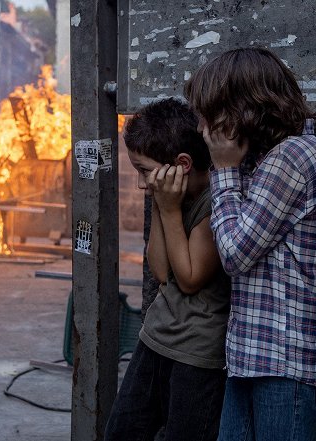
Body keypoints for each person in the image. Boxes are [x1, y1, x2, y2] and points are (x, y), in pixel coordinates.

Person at [184, 47, 316, 440]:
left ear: (242, 110)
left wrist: (223, 170)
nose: (203, 126)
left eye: (210, 113)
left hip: (283, 361)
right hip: (257, 356)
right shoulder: (269, 158)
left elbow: (235, 253)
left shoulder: (292, 156)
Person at [104, 98, 230, 441]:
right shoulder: (168, 199)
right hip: (156, 337)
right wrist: (163, 207)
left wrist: (170, 211)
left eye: (145, 171)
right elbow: (160, 270)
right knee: (122, 431)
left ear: (182, 164)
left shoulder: (216, 201)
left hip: (196, 354)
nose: (142, 184)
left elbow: (189, 279)